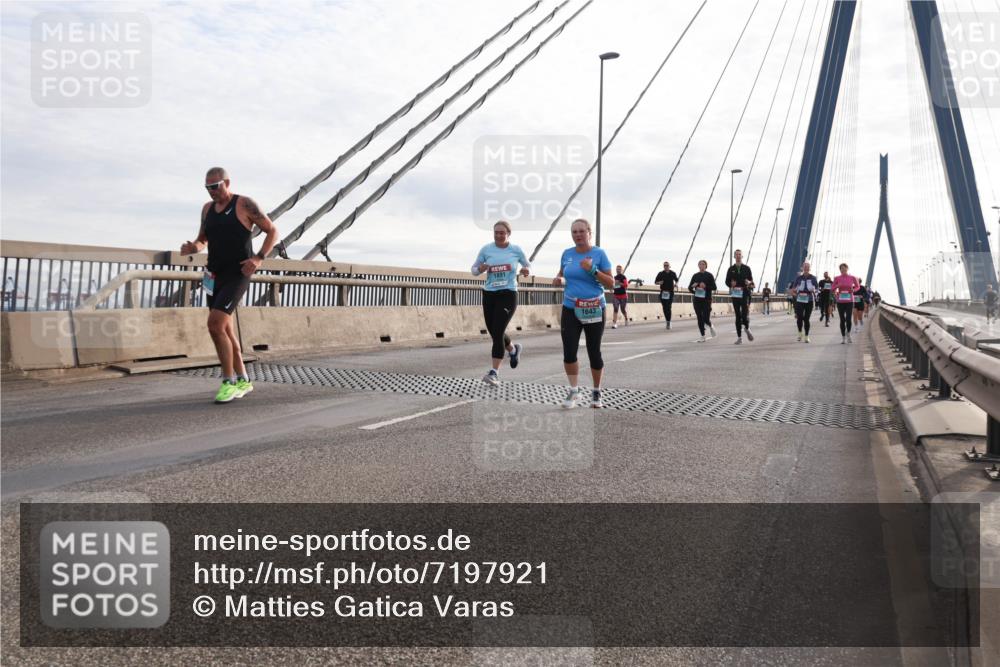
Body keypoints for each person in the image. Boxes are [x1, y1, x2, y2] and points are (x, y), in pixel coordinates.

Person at [181, 167, 279, 403]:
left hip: (238, 273)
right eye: (207, 187)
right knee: (225, 329)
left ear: (227, 182)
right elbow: (203, 239)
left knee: (214, 324)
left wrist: (258, 259)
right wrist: (192, 248)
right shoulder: (207, 209)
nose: (211, 191)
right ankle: (244, 379)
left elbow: (272, 231)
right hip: (213, 275)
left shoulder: (244, 204)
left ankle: (229, 381)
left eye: (215, 186)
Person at [552, 219, 614, 409]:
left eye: (581, 231)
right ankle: (574, 390)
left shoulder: (599, 253)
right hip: (571, 308)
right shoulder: (567, 254)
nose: (577, 235)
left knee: (593, 351)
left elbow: (611, 283)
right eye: (574, 232)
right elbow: (563, 274)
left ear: (589, 233)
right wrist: (559, 279)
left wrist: (593, 270)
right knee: (569, 351)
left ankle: (596, 391)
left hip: (594, 307)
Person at [471, 220, 531, 386]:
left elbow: (527, 265)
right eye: (496, 232)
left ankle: (494, 372)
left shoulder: (516, 250)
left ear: (508, 234)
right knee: (494, 332)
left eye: (502, 233)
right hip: (489, 294)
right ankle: (513, 349)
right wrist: (480, 269)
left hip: (508, 294)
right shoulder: (486, 249)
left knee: (497, 332)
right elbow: (474, 270)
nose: (498, 235)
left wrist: (526, 270)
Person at [724, 249, 754, 344]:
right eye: (736, 254)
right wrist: (730, 284)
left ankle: (747, 328)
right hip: (735, 295)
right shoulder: (731, 269)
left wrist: (749, 283)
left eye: (739, 254)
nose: (738, 256)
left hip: (745, 293)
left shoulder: (747, 268)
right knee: (737, 316)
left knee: (744, 315)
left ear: (742, 256)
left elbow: (752, 283)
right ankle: (739, 338)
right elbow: (726, 281)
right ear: (734, 256)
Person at [688, 259, 718, 343]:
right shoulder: (695, 276)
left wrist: (705, 286)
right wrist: (694, 288)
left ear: (706, 266)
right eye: (700, 264)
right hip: (697, 299)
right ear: (698, 266)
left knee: (705, 318)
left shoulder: (709, 275)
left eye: (703, 264)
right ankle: (702, 335)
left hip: (706, 299)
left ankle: (711, 325)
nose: (701, 266)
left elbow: (714, 287)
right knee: (699, 318)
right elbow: (689, 288)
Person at [831, 262, 861, 344]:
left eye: (844, 268)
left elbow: (858, 286)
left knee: (848, 319)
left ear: (847, 269)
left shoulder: (852, 277)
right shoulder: (837, 278)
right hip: (840, 300)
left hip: (849, 300)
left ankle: (848, 334)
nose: (843, 270)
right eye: (841, 269)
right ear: (840, 270)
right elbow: (832, 288)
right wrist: (837, 286)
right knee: (842, 319)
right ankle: (843, 337)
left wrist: (853, 290)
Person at [790, 261, 818, 343]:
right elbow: (793, 290)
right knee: (799, 318)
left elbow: (817, 289)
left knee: (806, 319)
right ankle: (799, 333)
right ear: (802, 268)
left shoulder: (813, 278)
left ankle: (806, 336)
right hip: (800, 300)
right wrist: (795, 292)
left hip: (809, 299)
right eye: (804, 267)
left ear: (809, 268)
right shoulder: (798, 278)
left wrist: (814, 290)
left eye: (807, 267)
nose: (806, 268)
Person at [654, 261, 679, 329]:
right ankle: (667, 321)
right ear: (663, 266)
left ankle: (669, 321)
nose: (666, 266)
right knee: (664, 307)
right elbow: (655, 282)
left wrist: (676, 284)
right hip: (663, 292)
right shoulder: (660, 273)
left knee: (669, 307)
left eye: (667, 265)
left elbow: (676, 280)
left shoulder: (672, 273)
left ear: (669, 266)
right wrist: (659, 282)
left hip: (670, 292)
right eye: (665, 265)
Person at [611, 265, 629, 329]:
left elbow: (626, 285)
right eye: (617, 269)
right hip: (616, 295)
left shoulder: (623, 277)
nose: (618, 270)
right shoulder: (615, 277)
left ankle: (626, 318)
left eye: (619, 269)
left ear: (622, 270)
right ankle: (614, 323)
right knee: (615, 308)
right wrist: (613, 287)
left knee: (622, 309)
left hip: (623, 296)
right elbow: (616, 286)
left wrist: (620, 283)